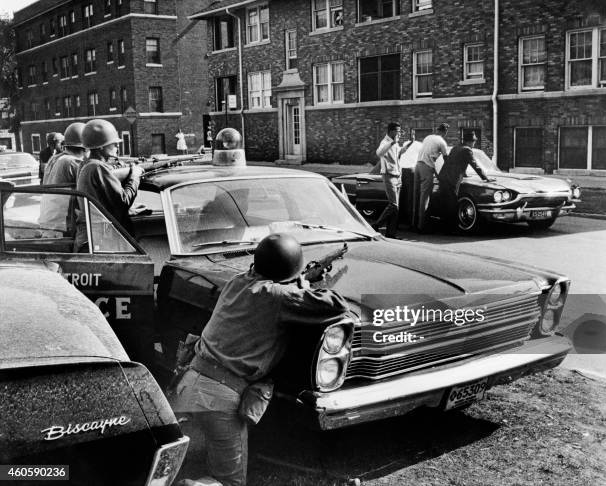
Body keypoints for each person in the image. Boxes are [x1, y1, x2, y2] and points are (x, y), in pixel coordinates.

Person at [174, 233, 351, 486]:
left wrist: (296, 280)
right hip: (219, 396)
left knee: (216, 456)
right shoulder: (279, 296)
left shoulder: (237, 281)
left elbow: (266, 286)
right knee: (230, 483)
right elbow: (336, 305)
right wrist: (310, 284)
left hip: (190, 382)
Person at [74, 119, 144, 252]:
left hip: (90, 236)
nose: (117, 147)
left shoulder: (86, 164)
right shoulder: (97, 168)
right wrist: (135, 175)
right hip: (101, 239)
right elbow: (123, 202)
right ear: (101, 147)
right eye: (113, 144)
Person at [39, 122, 87, 236]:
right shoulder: (72, 162)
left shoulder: (55, 158)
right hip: (62, 228)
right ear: (86, 148)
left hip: (49, 224)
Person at [438, 131, 492, 226]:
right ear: (469, 142)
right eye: (473, 141)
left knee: (443, 201)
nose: (474, 143)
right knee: (452, 202)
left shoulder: (456, 148)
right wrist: (485, 178)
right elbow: (475, 165)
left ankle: (443, 224)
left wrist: (465, 174)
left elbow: (456, 162)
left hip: (443, 177)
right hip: (452, 180)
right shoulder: (467, 150)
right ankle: (451, 227)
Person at [371, 122, 413, 238]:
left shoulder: (395, 143)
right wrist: (392, 142)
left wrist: (411, 142)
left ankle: (391, 233)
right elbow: (379, 153)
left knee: (396, 207)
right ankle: (376, 225)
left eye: (400, 131)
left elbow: (400, 152)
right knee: (393, 205)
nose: (399, 133)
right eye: (398, 131)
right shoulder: (385, 142)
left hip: (397, 176)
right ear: (391, 131)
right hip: (388, 175)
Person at [413, 123, 450, 232]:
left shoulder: (428, 137)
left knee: (416, 196)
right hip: (426, 168)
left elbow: (428, 153)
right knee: (425, 198)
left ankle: (414, 224)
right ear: (445, 132)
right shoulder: (442, 142)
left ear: (437, 130)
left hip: (417, 166)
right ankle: (422, 226)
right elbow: (446, 159)